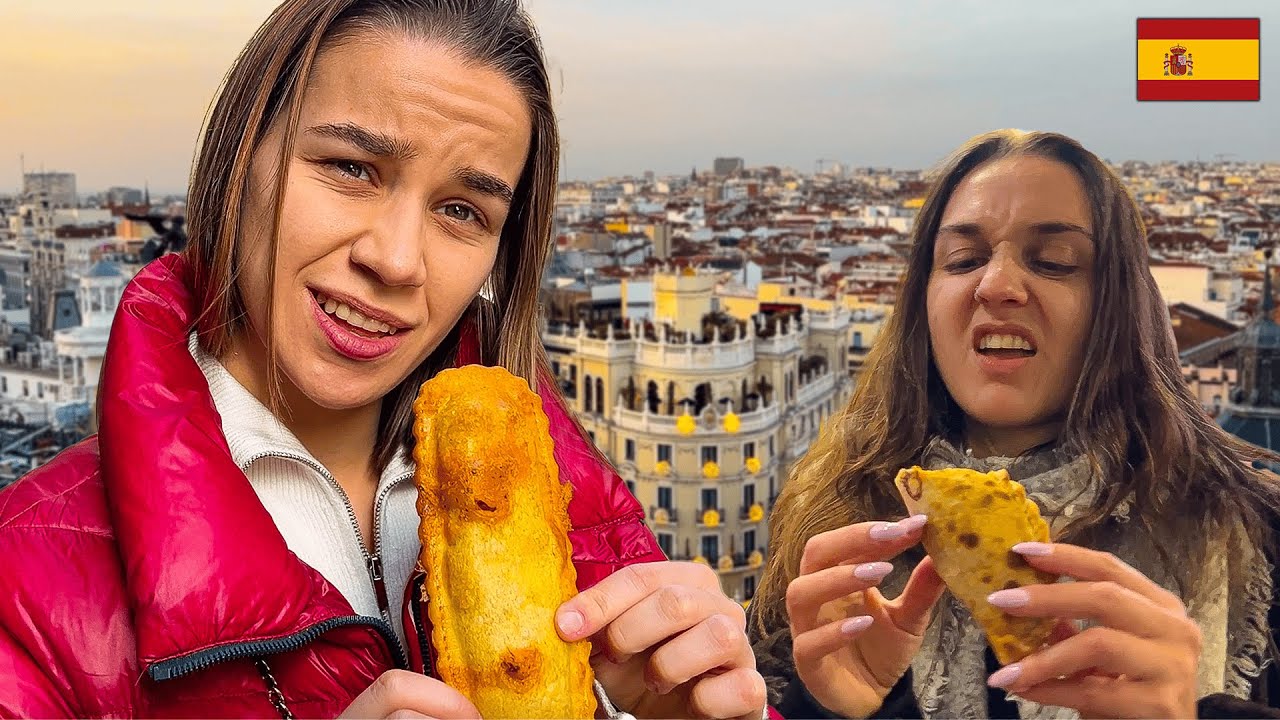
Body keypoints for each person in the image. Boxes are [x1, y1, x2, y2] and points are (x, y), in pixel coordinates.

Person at [0, 1, 770, 717]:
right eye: (351, 168)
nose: (398, 261)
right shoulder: (25, 587)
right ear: (243, 155)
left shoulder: (580, 505)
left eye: (463, 211)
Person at [747, 129, 1280, 719]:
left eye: (1054, 262)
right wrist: (832, 708)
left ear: (1118, 302)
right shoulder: (829, 523)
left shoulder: (1255, 541)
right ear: (923, 298)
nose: (996, 285)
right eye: (963, 260)